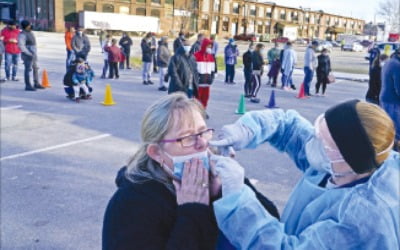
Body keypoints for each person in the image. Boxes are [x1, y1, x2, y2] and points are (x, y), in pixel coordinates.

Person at [209, 99, 399, 249]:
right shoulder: (344, 164)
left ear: (349, 159)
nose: (314, 142)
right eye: (319, 133)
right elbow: (289, 127)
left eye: (324, 143)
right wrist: (249, 129)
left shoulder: (363, 221)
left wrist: (238, 201)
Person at [102, 93, 279, 249]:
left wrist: (233, 194)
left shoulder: (218, 176)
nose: (201, 143)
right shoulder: (132, 203)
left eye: (203, 132)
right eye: (187, 138)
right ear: (157, 153)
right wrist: (193, 212)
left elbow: (272, 230)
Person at [380, 49, 400, 151]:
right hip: (393, 102)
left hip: (386, 99)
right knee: (395, 131)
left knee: (388, 128)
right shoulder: (397, 66)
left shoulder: (390, 62)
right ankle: (393, 154)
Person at [18, 20, 44, 91]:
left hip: (33, 54)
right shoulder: (22, 34)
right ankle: (28, 85)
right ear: (26, 26)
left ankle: (36, 83)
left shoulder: (30, 32)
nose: (30, 26)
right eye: (29, 25)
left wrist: (34, 54)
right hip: (27, 55)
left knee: (35, 68)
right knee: (28, 70)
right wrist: (29, 53)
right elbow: (21, 46)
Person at [194, 38, 215, 117]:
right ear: (204, 46)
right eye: (208, 46)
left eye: (210, 47)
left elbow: (212, 69)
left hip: (207, 81)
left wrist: (212, 78)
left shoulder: (211, 57)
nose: (209, 48)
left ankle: (203, 111)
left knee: (205, 98)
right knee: (197, 97)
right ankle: (196, 112)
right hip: (199, 81)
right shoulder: (196, 55)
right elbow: (193, 69)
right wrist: (195, 79)